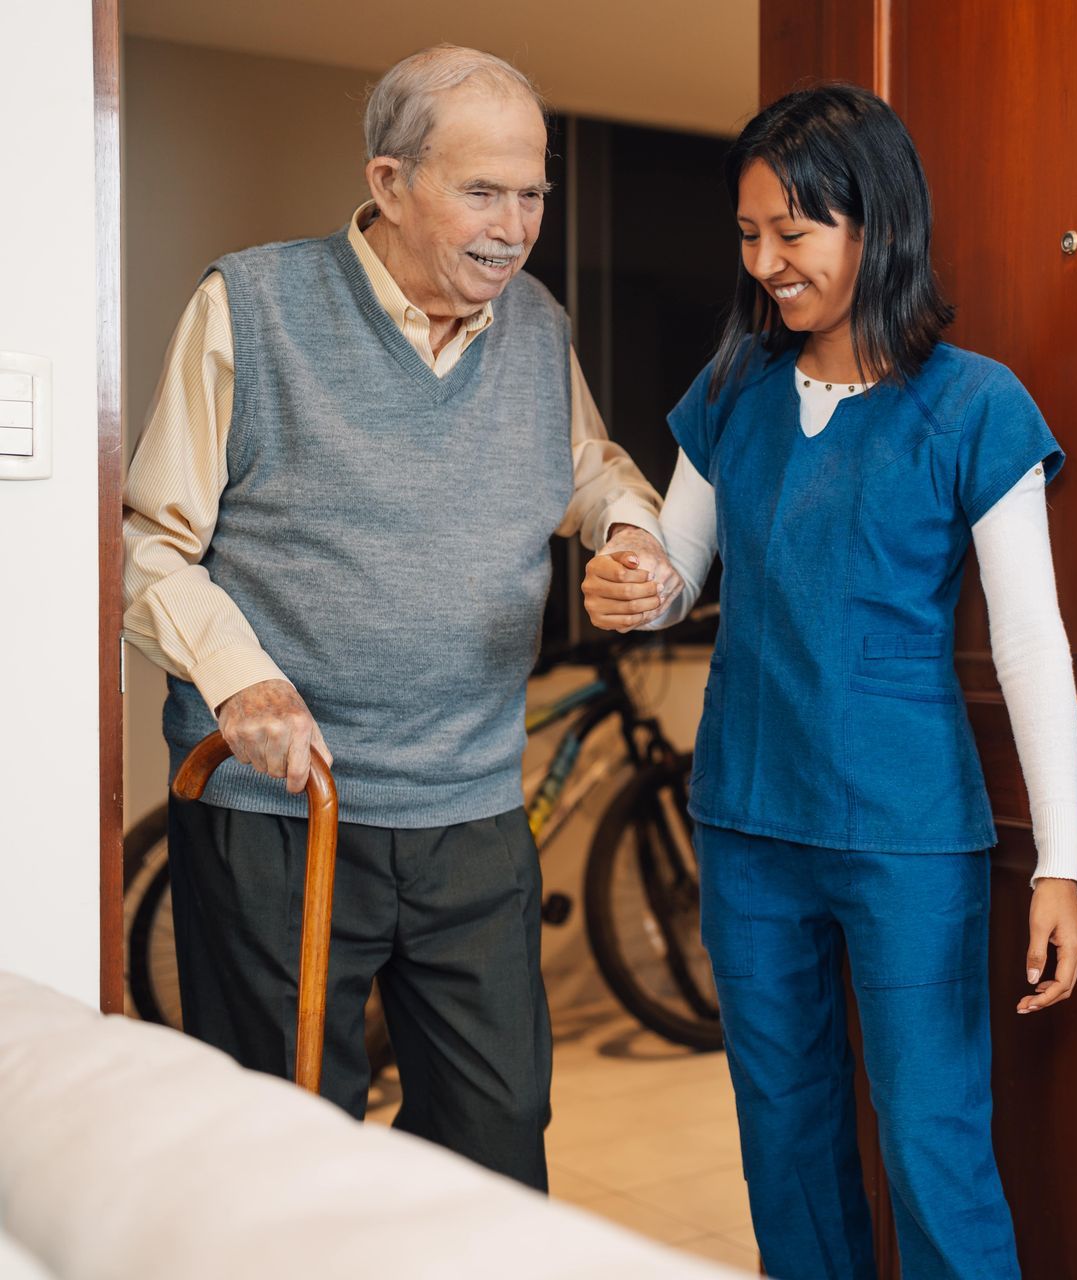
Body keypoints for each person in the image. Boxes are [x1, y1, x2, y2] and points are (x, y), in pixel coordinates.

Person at [121, 45, 680, 1192]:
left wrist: (635, 537)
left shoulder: (535, 325)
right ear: (388, 182)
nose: (514, 224)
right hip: (285, 806)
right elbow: (146, 543)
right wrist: (243, 683)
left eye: (532, 193)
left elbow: (591, 467)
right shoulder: (253, 306)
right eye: (482, 191)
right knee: (285, 1154)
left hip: (471, 808)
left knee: (497, 1143)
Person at [584, 83, 1077, 1278]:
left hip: (906, 835)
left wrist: (1064, 861)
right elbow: (677, 567)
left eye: (793, 232)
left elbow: (1028, 638)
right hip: (748, 820)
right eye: (749, 234)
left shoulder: (975, 404)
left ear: (878, 222)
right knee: (788, 1144)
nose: (766, 262)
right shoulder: (731, 395)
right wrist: (630, 573)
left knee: (931, 1142)